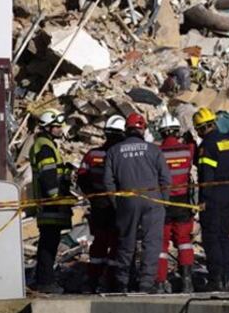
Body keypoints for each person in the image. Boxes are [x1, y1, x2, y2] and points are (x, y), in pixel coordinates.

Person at [103, 112, 170, 293]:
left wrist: (117, 202)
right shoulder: (154, 150)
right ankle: (146, 283)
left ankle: (123, 282)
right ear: (143, 129)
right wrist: (164, 202)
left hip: (127, 201)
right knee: (151, 242)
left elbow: (108, 182)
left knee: (126, 242)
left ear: (126, 129)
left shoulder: (114, 151)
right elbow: (165, 179)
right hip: (153, 201)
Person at [193, 106, 229, 291]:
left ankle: (216, 278)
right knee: (224, 235)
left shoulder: (206, 146)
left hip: (213, 196)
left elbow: (206, 174)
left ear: (201, 128)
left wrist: (203, 198)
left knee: (211, 237)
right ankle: (227, 274)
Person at [76, 114, 125, 293]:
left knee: (99, 242)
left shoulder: (92, 154)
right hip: (116, 206)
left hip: (98, 205)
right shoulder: (121, 156)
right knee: (116, 243)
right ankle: (110, 282)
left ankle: (93, 280)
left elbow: (81, 177)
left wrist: (92, 196)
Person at [30, 110, 73, 294]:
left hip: (50, 203)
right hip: (51, 205)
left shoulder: (45, 144)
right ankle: (45, 283)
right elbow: (49, 177)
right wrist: (58, 198)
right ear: (48, 128)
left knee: (48, 243)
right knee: (48, 245)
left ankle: (44, 280)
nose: (59, 129)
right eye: (56, 126)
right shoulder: (45, 147)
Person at [154, 114, 197, 293]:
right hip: (183, 202)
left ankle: (161, 282)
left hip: (162, 201)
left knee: (161, 244)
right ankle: (187, 280)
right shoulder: (187, 150)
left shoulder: (156, 152)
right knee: (184, 242)